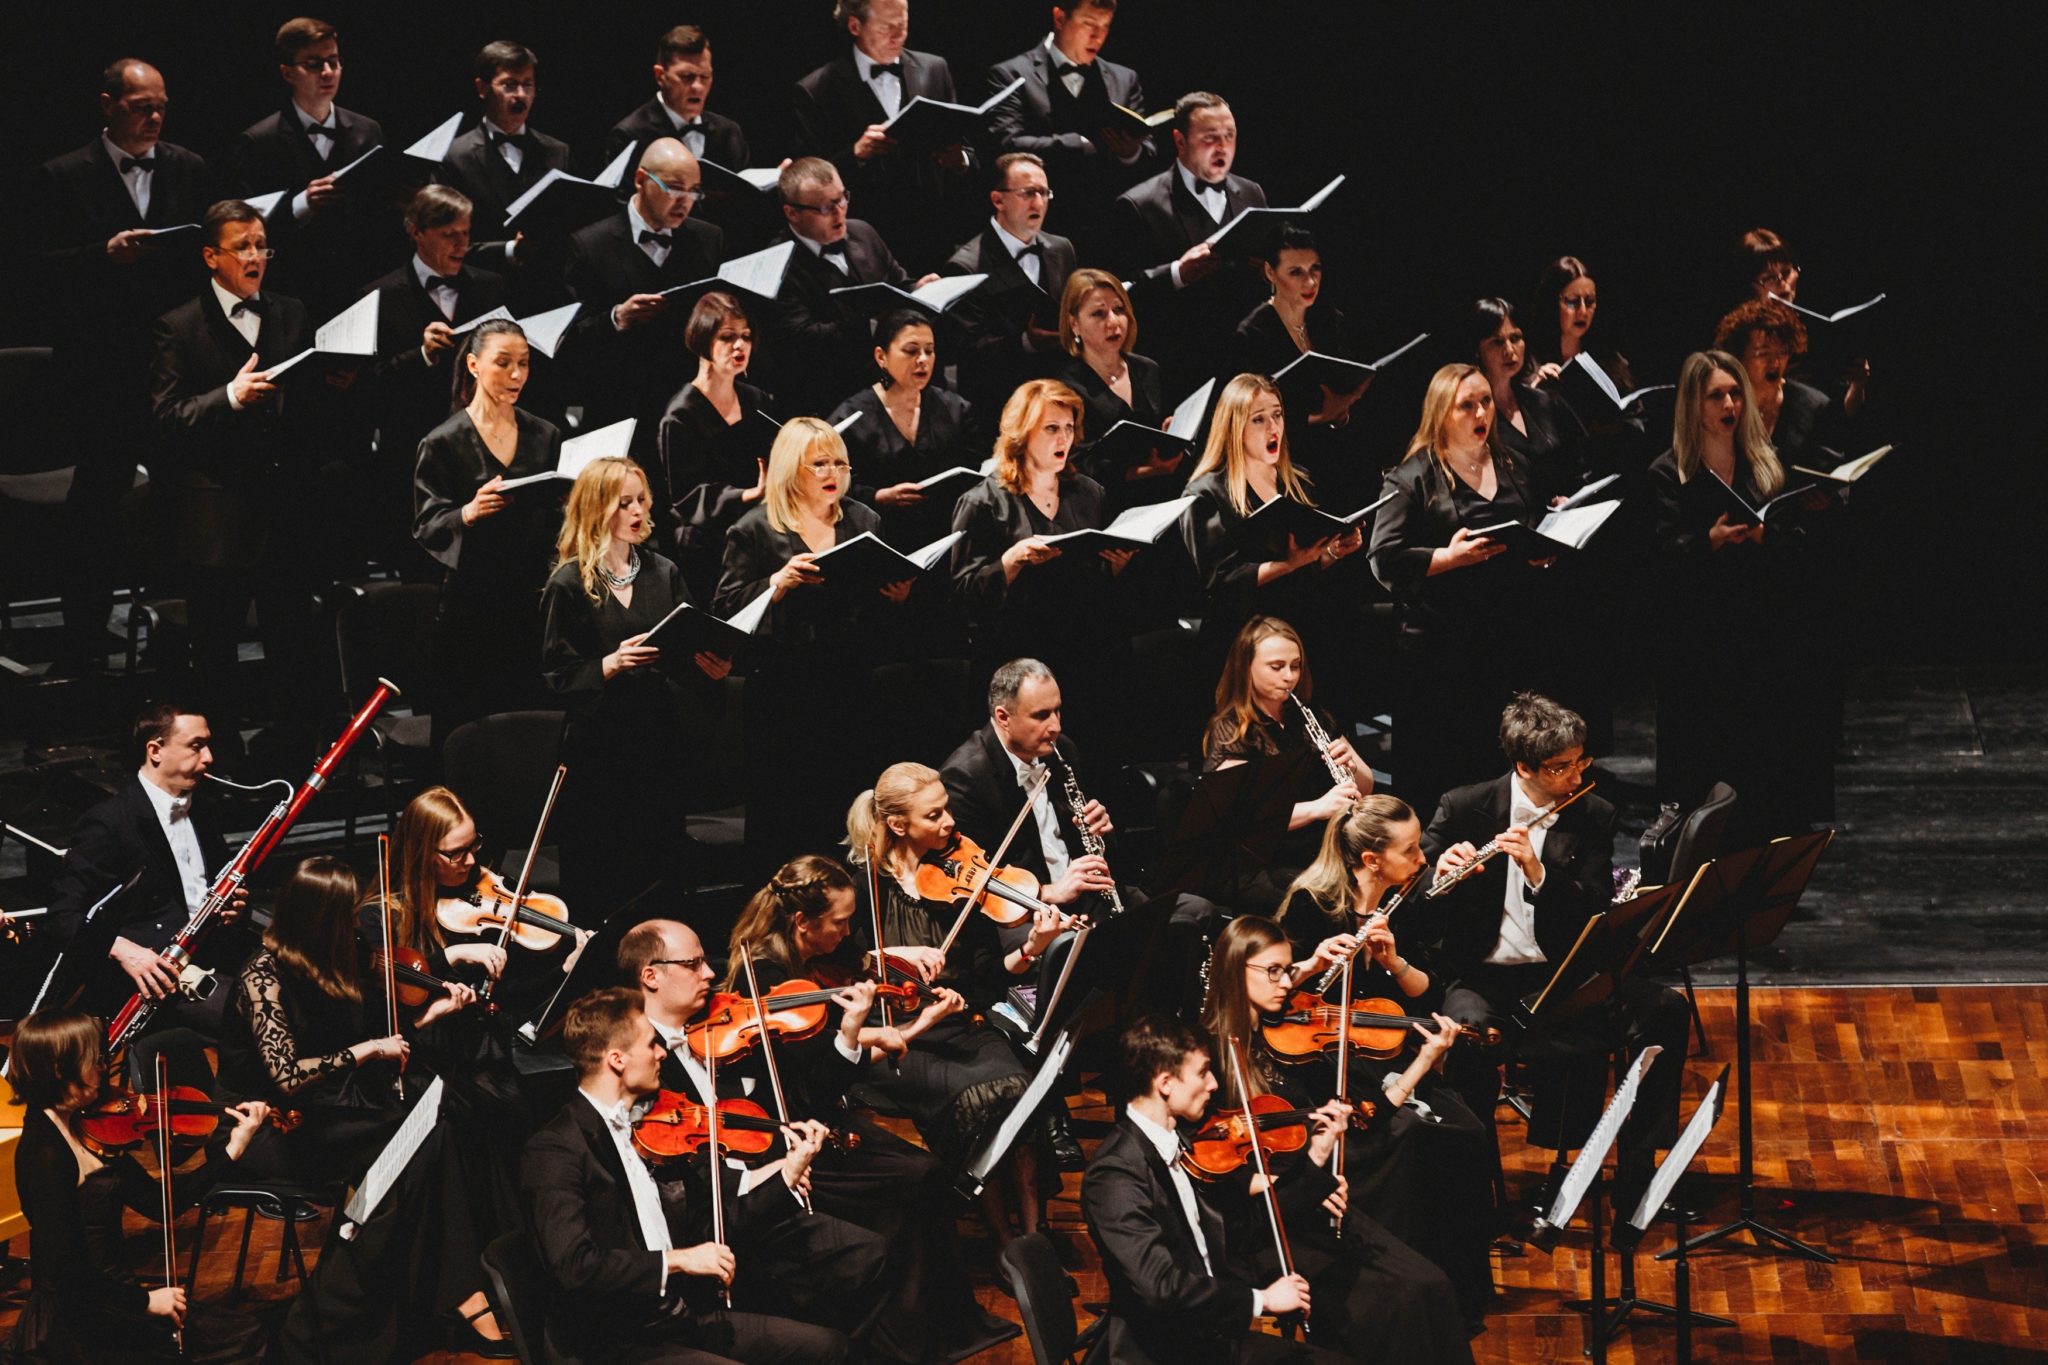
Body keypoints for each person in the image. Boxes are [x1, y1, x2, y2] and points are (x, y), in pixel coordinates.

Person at [1423, 693, 1689, 1222]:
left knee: (1666, 1008)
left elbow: (1591, 905)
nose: (1576, 774)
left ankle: (1637, 1177)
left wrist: (1539, 874)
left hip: (1562, 975)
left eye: (1580, 760)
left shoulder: (1593, 813)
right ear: (1524, 766)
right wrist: (1438, 870)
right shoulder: (1463, 807)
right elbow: (1412, 885)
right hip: (1484, 976)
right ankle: (1474, 1190)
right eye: (1561, 766)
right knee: (1464, 1033)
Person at [520, 986, 849, 1365]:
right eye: (650, 1045)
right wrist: (675, 1261)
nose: (662, 1053)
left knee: (827, 1347)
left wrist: (785, 1178)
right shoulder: (556, 1148)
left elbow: (708, 1230)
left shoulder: (649, 1131)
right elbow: (575, 1268)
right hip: (617, 1342)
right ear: (617, 1059)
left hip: (679, 1317)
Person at [1199, 921, 1476, 1360]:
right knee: (1396, 1303)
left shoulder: (1284, 1043)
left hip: (1316, 1203)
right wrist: (1292, 1181)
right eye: (1273, 971)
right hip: (1264, 1226)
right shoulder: (1208, 1055)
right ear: (1235, 970)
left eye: (1288, 970)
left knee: (1433, 1285)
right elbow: (1211, 1166)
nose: (1286, 982)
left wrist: (1424, 1059)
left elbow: (1363, 1118)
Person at [1276, 798, 1495, 1327]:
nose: (1422, 858)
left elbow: (1428, 991)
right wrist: (1313, 963)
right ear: (1372, 859)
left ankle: (1456, 1292)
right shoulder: (1311, 903)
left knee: (1465, 1127)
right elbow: (1272, 997)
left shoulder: (1405, 900)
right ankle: (1399, 1280)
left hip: (1384, 1050)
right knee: (1414, 1136)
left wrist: (1394, 960)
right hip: (1321, 1057)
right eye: (1411, 849)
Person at [38, 58, 212, 672]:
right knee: (96, 508)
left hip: (172, 368)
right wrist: (102, 256)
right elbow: (36, 273)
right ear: (109, 104)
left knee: (181, 502)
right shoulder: (62, 175)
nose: (155, 116)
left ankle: (179, 641)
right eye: (141, 105)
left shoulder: (188, 166)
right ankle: (83, 645)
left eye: (161, 105)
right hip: (102, 370)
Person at [941, 658, 1223, 1033]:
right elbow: (970, 879)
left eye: (1058, 711)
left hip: (1088, 897)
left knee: (1198, 912)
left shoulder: (1062, 753)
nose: (1055, 726)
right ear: (1003, 716)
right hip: (1026, 914)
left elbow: (1097, 852)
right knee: (1102, 954)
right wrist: (1050, 890)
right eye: (1041, 715)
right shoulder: (965, 778)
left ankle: (1182, 1033)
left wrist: (1104, 834)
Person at [842, 763, 1045, 1249]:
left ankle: (1034, 1241)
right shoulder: (863, 883)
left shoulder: (961, 876)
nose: (949, 821)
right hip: (899, 1032)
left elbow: (990, 973)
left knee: (1021, 1091)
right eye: (933, 815)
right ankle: (1001, 1240)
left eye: (947, 808)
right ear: (898, 824)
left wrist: (1034, 946)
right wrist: (891, 954)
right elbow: (839, 963)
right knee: (980, 1098)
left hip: (959, 1021)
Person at [5, 1009, 268, 1363]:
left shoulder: (88, 1127)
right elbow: (67, 1270)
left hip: (113, 1294)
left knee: (248, 1333)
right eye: (94, 1060)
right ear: (58, 1070)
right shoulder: (46, 1154)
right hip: (82, 1315)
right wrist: (145, 1302)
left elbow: (161, 1205)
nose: (103, 1069)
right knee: (239, 1345)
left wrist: (231, 1151)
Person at [1081, 1013, 1347, 1365]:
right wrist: (1261, 1301)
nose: (1214, 1085)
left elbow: (1242, 1229)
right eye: (1203, 1072)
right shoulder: (1115, 1173)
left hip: (1209, 1335)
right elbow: (1160, 1286)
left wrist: (1317, 1157)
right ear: (1166, 1083)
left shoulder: (1183, 1146)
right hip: (1164, 1351)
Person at [150, 198, 321, 741]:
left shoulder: (291, 311)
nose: (255, 256)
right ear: (210, 256)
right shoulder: (177, 327)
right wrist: (229, 396)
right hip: (218, 520)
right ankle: (218, 764)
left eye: (261, 245)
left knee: (292, 645)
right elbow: (166, 419)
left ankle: (294, 759)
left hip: (286, 509)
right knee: (218, 655)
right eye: (242, 247)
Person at [1646, 351, 1833, 839]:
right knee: (1704, 756)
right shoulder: (1669, 474)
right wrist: (1707, 542)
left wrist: (1763, 537)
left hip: (1760, 630)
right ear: (1694, 404)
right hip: (1699, 639)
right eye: (1716, 396)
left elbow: (1797, 546)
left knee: (1760, 752)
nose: (1729, 404)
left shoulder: (1763, 464)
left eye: (1734, 394)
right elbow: (1658, 560)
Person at [713, 418, 911, 869]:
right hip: (784, 694)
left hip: (850, 688)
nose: (832, 473)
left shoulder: (864, 520)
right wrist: (774, 584)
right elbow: (725, 610)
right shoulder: (754, 530)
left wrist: (897, 597)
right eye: (819, 463)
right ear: (790, 469)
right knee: (786, 819)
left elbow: (878, 612)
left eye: (840, 463)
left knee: (847, 813)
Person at [541, 457, 733, 916]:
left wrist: (711, 666)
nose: (636, 511)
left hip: (657, 738)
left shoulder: (662, 572)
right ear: (596, 507)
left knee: (659, 862)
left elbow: (684, 654)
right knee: (603, 870)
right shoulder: (568, 583)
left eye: (641, 501)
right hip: (598, 748)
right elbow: (554, 678)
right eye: (623, 502)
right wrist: (610, 663)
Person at [1367, 363, 1554, 824]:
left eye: (1486, 401)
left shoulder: (1512, 461)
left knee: (1501, 760)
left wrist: (1543, 546)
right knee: (1443, 769)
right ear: (1441, 413)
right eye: (1467, 404)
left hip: (1508, 639)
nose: (1481, 412)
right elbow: (1382, 557)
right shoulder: (1413, 477)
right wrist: (1447, 559)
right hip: (1441, 651)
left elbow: (1528, 523)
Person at [42, 703, 248, 1036]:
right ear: (155, 750)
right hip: (157, 982)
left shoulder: (203, 813)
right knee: (260, 1017)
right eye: (196, 746)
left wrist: (237, 909)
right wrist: (123, 950)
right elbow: (62, 916)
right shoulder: (109, 822)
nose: (209, 757)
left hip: (213, 960)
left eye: (208, 745)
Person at [412, 318, 564, 744]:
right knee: (471, 732)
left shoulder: (545, 435)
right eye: (503, 363)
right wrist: (468, 512)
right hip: (472, 609)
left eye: (524, 363)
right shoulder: (443, 442)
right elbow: (426, 525)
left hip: (532, 603)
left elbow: (559, 516)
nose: (516, 375)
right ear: (475, 365)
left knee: (532, 726)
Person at [1181, 373, 1367, 697]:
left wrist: (1332, 551)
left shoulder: (1297, 481)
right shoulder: (1206, 493)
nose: (1273, 428)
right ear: (1234, 427)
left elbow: (1306, 561)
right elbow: (1221, 581)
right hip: (1241, 642)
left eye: (1277, 414)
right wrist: (1290, 564)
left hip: (1299, 632)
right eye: (1259, 419)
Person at [948, 378, 1129, 703]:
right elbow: (963, 593)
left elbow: (1094, 582)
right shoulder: (983, 502)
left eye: (1069, 428)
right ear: (1022, 432)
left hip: (1080, 650)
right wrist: (1010, 561)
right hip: (1014, 656)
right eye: (1051, 428)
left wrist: (1114, 567)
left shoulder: (1089, 493)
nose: (1064, 438)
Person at [365, 185, 508, 572]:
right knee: (422, 579)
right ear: (416, 232)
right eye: (450, 235)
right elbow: (369, 388)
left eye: (466, 233)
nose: (463, 245)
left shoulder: (489, 285)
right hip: (414, 462)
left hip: (481, 455)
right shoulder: (380, 296)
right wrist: (422, 355)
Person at [565, 137, 726, 472]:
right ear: (640, 179)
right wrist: (617, 318)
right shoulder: (589, 244)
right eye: (674, 188)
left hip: (688, 407)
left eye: (695, 191)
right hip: (620, 405)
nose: (686, 201)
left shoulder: (708, 239)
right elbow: (568, 339)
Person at [1198, 616, 1369, 911]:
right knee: (1326, 900)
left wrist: (1351, 763)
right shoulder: (1230, 731)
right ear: (1246, 668)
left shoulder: (1310, 715)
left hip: (1318, 847)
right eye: (1276, 667)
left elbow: (1365, 787)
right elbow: (1236, 818)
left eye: (1295, 665)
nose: (1289, 676)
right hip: (1259, 861)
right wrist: (1318, 808)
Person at [790, 0, 975, 268]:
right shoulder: (816, 90)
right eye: (888, 27)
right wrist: (856, 153)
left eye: (903, 25)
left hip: (935, 234)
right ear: (855, 25)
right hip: (867, 242)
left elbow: (965, 146)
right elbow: (805, 179)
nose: (898, 35)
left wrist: (962, 160)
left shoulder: (934, 69)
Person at [225, 16, 389, 317]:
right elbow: (244, 225)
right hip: (293, 289)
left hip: (359, 282)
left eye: (333, 61)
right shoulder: (259, 140)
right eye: (314, 64)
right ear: (287, 73)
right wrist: (302, 204)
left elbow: (377, 213)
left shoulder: (368, 130)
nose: (328, 72)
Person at [1109, 92, 1268, 394]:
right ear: (1180, 141)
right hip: (1180, 368)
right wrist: (1178, 273)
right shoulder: (1138, 205)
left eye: (1229, 136)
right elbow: (1121, 293)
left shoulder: (1251, 193)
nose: (1223, 147)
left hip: (1246, 364)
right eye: (1210, 138)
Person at [759, 157, 930, 417]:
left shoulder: (863, 232)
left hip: (888, 387)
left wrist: (920, 289)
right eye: (825, 207)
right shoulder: (775, 265)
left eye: (841, 199)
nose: (839, 212)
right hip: (825, 400)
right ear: (792, 213)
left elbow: (898, 282)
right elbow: (803, 342)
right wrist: (873, 323)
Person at [985, 0, 1162, 243]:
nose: (1097, 36)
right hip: (1041, 225)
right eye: (1088, 24)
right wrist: (1077, 145)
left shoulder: (1124, 78)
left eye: (1105, 26)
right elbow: (1006, 145)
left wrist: (1130, 153)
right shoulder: (1011, 74)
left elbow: (1151, 153)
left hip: (1110, 225)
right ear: (1059, 18)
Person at [1225, 226, 1373, 500]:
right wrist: (1321, 416)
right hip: (1290, 465)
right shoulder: (1252, 335)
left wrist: (1342, 412)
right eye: (1296, 272)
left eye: (1314, 269)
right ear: (1271, 272)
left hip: (1341, 453)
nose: (1310, 282)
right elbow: (1245, 419)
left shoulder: (1328, 318)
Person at [656, 291, 778, 597]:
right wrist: (747, 494)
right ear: (703, 340)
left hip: (757, 529)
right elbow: (686, 498)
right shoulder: (680, 415)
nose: (740, 346)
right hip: (708, 545)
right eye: (727, 337)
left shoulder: (757, 400)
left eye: (746, 336)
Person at [827, 308, 979, 549]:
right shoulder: (850, 416)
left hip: (947, 536)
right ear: (881, 357)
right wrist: (878, 497)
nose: (923, 359)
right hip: (881, 540)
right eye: (911, 351)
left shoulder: (956, 408)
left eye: (929, 351)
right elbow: (830, 484)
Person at [941, 151, 1077, 414]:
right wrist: (1026, 342)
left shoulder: (1062, 249)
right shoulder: (965, 266)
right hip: (1001, 402)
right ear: (998, 200)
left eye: (1044, 193)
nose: (1038, 203)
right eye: (1027, 193)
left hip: (1058, 389)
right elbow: (968, 353)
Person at [436, 41, 573, 292]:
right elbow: (447, 244)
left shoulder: (557, 152)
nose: (521, 95)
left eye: (528, 85)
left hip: (547, 290)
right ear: (482, 88)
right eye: (509, 85)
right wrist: (510, 250)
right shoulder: (454, 157)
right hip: (482, 293)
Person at [1054, 269, 1178, 509]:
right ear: (1074, 325)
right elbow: (1077, 466)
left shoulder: (1147, 369)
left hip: (1164, 496)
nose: (1113, 321)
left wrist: (1170, 432)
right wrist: (1143, 472)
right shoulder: (1065, 388)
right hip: (1106, 507)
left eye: (1119, 310)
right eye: (1099, 314)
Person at [1471, 296, 1587, 503]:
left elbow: (1579, 463)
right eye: (1497, 342)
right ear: (1477, 351)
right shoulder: (1474, 418)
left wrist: (1569, 498)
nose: (1509, 350)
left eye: (1515, 338)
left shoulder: (1541, 400)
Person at [603, 25, 753, 174]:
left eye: (705, 76)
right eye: (687, 76)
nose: (698, 87)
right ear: (660, 75)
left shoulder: (729, 133)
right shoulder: (630, 135)